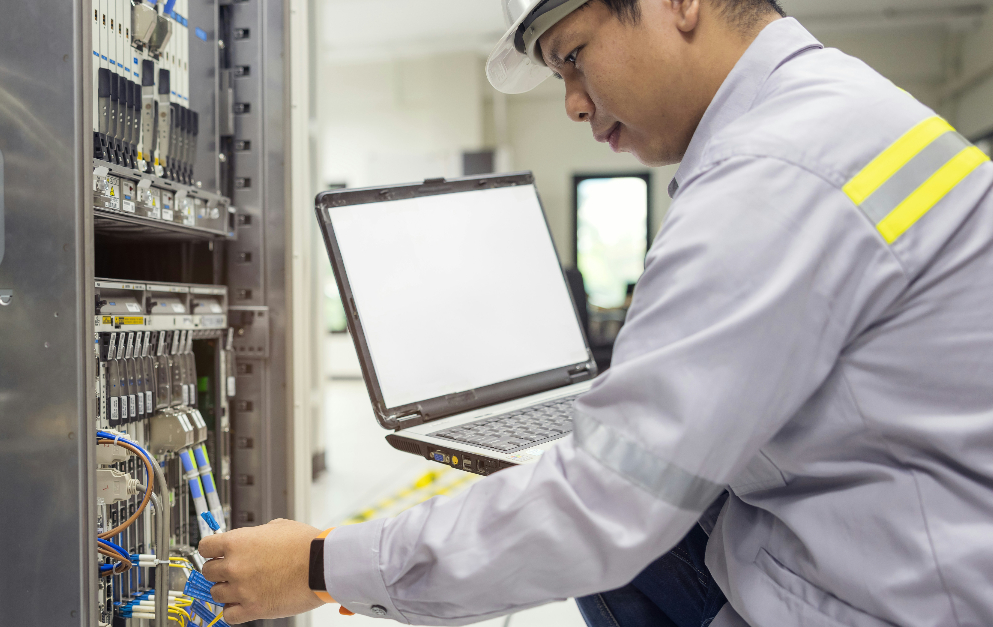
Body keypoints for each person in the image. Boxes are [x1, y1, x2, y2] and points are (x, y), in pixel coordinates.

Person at [198, 0, 993, 625]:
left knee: (597, 510)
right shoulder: (830, 109)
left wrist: (317, 562)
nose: (574, 103)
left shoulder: (773, 172)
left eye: (573, 55)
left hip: (896, 601)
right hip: (913, 553)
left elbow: (601, 509)